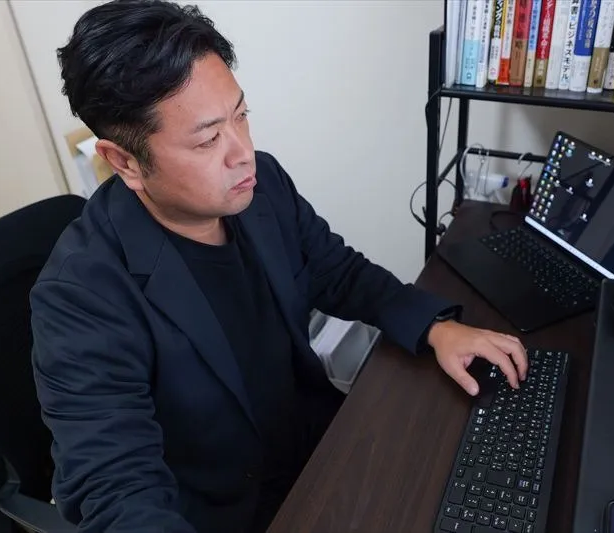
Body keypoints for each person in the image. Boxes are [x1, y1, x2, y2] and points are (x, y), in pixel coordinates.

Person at [29, 1, 528, 532]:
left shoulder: (261, 185)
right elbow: (115, 493)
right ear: (125, 161)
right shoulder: (78, 298)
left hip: (320, 454)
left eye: (241, 116)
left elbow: (338, 272)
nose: (242, 152)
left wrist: (435, 327)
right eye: (207, 139)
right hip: (227, 513)